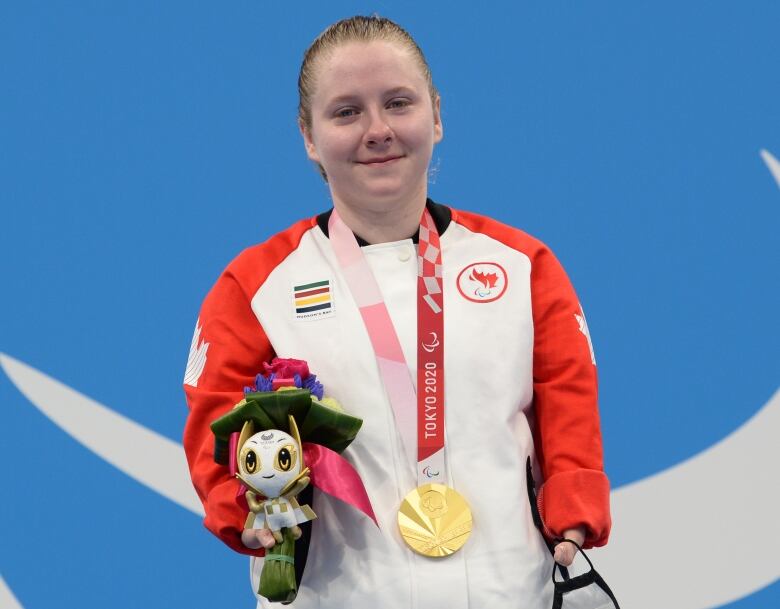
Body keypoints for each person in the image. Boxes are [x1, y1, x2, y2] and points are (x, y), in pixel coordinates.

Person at [183, 15, 611, 608]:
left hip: (507, 587)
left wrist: (573, 506)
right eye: (346, 112)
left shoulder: (521, 265)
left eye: (398, 103)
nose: (378, 130)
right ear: (309, 135)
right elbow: (217, 426)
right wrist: (241, 511)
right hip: (339, 594)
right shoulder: (255, 285)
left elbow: (566, 399)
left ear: (436, 114)